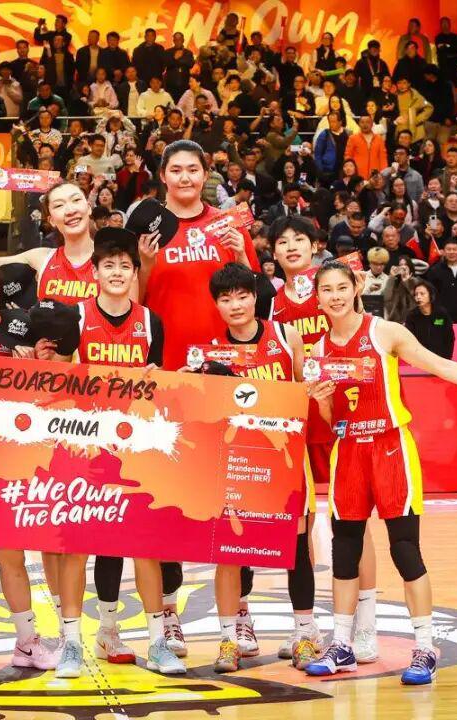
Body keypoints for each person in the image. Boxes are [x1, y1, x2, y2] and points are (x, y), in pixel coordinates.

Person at [304, 260, 457, 685]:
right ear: (317, 299)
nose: (334, 296)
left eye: (341, 287)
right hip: (348, 452)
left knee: (405, 550)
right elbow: (331, 418)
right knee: (344, 552)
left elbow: (441, 365)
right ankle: (342, 644)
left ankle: (424, 648)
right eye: (326, 290)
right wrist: (322, 400)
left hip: (390, 449)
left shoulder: (385, 332)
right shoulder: (317, 352)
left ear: (355, 288)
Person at [37, 228, 184, 676]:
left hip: (134, 447)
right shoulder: (74, 318)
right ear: (95, 272)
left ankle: (157, 643)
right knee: (77, 546)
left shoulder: (151, 322)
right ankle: (71, 644)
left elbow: (160, 385)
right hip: (82, 446)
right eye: (108, 266)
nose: (117, 273)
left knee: (144, 546)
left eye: (124, 266)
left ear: (135, 272)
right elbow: (54, 378)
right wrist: (48, 362)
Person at [135, 139, 260, 658]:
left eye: (194, 168)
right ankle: (168, 612)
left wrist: (239, 253)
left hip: (228, 379)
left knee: (235, 500)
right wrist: (144, 262)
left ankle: (241, 610)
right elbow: (133, 303)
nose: (185, 177)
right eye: (176, 169)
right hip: (168, 380)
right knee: (169, 500)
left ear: (206, 174)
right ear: (163, 175)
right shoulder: (148, 227)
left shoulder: (227, 225)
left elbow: (257, 296)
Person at [267, 216, 378, 665]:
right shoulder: (272, 302)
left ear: (315, 245)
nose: (291, 246)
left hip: (346, 413)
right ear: (273, 252)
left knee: (353, 520)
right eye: (282, 241)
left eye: (300, 239)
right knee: (305, 524)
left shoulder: (338, 284)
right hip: (300, 418)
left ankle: (364, 626)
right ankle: (308, 626)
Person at [196, 262, 314, 673]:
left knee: (297, 548)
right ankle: (228, 639)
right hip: (237, 462)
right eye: (225, 299)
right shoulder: (210, 351)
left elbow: (304, 392)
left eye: (242, 296)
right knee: (229, 552)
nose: (235, 305)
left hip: (286, 457)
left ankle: (305, 633)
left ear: (254, 297)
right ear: (216, 305)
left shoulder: (286, 336)